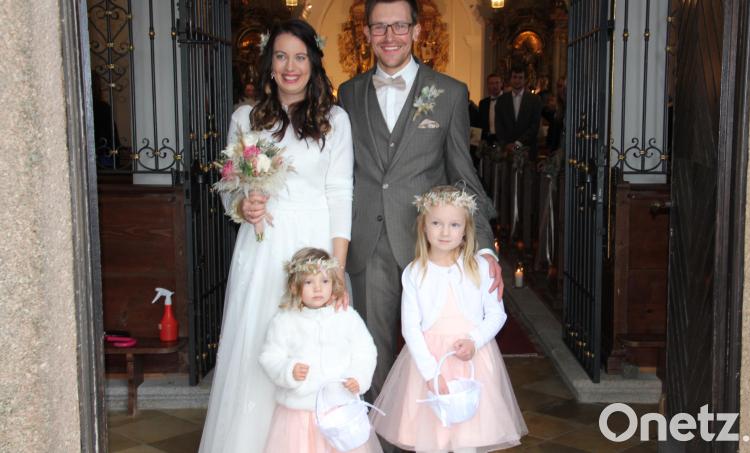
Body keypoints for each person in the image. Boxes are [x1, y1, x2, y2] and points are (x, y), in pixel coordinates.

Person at [199, 19, 354, 453]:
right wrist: (244, 205)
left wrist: (336, 270)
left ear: (313, 62)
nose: (291, 66)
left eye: (300, 57)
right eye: (282, 56)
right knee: (258, 343)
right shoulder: (244, 119)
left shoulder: (335, 121)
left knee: (312, 348)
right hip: (263, 247)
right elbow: (232, 186)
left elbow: (341, 193)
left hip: (315, 249)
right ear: (269, 64)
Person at [337, 0, 503, 405]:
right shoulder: (349, 92)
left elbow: (463, 175)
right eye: (379, 28)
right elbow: (339, 173)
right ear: (366, 34)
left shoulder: (449, 92)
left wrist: (483, 246)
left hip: (434, 247)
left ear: (416, 30)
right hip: (369, 241)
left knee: (432, 346)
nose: (389, 37)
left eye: (398, 26)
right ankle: (378, 441)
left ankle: (429, 434)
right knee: (371, 350)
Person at [371, 186, 527, 453]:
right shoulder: (415, 272)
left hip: (471, 360)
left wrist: (475, 340)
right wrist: (431, 373)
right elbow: (410, 328)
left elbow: (497, 314)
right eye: (436, 223)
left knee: (468, 437)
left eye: (454, 225)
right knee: (432, 438)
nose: (445, 232)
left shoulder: (479, 267)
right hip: (429, 363)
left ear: (466, 230)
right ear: (423, 226)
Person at [260, 248, 381, 453]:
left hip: (339, 409)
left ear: (333, 284)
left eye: (324, 281)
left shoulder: (346, 316)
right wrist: (288, 370)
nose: (318, 289)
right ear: (295, 286)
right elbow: (270, 356)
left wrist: (358, 377)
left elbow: (365, 351)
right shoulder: (285, 321)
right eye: (309, 282)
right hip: (299, 414)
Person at [495, 65, 543, 161]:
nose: (517, 81)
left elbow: (535, 125)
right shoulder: (501, 100)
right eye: (515, 77)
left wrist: (518, 143)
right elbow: (499, 125)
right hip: (507, 150)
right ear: (510, 79)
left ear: (525, 80)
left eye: (520, 78)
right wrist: (506, 144)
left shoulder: (534, 100)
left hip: (527, 149)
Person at [478, 73, 503, 144]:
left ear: (501, 84)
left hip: (504, 141)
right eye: (491, 83)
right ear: (488, 85)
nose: (495, 86)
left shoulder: (508, 100)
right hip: (488, 140)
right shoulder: (483, 103)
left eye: (497, 83)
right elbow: (481, 123)